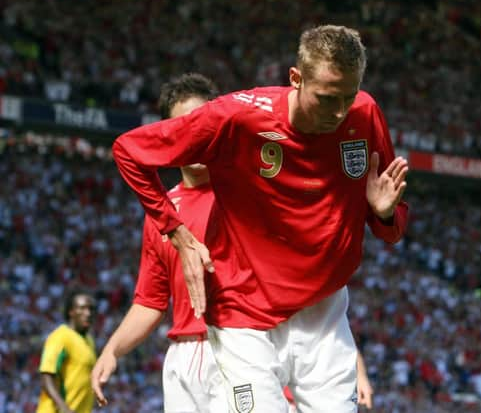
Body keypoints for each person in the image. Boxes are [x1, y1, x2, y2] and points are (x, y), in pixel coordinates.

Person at [112, 24, 408, 412]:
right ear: (296, 79)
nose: (338, 112)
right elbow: (129, 151)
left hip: (323, 311)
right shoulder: (237, 116)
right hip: (244, 309)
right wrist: (178, 234)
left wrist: (383, 212)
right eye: (326, 98)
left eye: (347, 97)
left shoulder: (365, 114)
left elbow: (392, 227)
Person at [90, 73, 227, 412]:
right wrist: (112, 349)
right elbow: (151, 302)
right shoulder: (161, 214)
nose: (194, 137)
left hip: (237, 346)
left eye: (201, 124)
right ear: (169, 138)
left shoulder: (247, 194)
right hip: (180, 358)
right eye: (183, 129)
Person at [37, 289, 96, 413]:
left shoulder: (89, 341)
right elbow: (46, 376)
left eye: (91, 309)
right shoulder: (60, 336)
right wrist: (63, 407)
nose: (88, 313)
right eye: (82, 308)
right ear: (71, 312)